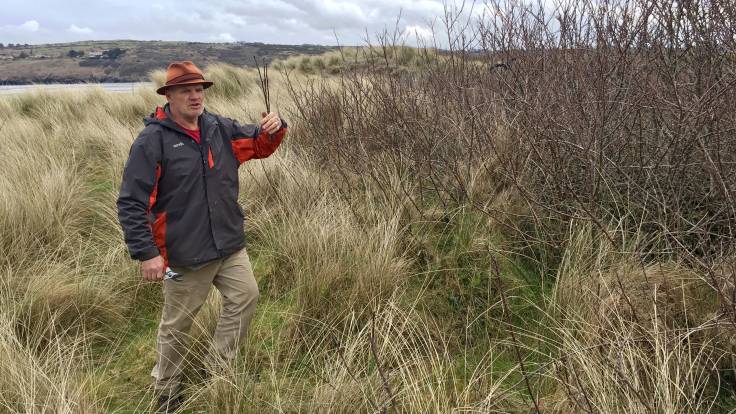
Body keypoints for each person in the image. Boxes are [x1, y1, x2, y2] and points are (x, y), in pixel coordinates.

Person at [116, 61, 287, 413]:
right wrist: (147, 253)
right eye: (185, 90)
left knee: (246, 296)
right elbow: (132, 202)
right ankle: (166, 393)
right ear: (169, 96)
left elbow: (258, 144)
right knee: (177, 326)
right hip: (184, 253)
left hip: (227, 243)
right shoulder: (153, 141)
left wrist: (275, 127)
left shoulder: (218, 128)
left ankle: (218, 370)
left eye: (199, 89)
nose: (195, 96)